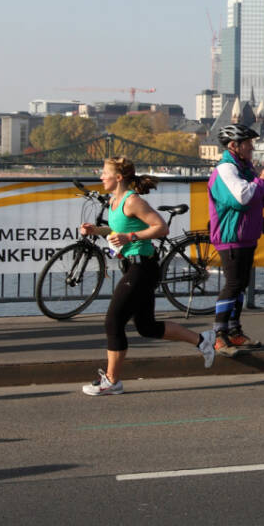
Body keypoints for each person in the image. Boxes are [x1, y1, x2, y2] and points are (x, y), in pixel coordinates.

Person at [79, 157, 216, 395]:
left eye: (104, 173)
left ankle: (112, 381)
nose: (101, 176)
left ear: (118, 177)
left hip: (143, 268)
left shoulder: (132, 201)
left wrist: (130, 238)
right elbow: (117, 231)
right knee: (147, 327)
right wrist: (97, 230)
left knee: (113, 321)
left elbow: (161, 227)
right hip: (133, 266)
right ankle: (203, 341)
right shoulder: (114, 200)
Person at [208, 123, 264, 356]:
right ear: (234, 146)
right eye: (248, 143)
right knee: (233, 284)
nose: (252, 147)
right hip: (231, 235)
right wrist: (262, 181)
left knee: (240, 285)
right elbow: (241, 197)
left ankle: (234, 331)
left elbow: (255, 201)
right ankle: (218, 335)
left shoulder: (244, 168)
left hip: (246, 235)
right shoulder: (226, 169)